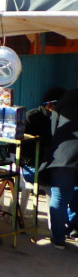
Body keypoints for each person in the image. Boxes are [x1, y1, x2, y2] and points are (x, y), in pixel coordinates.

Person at [43, 88, 78, 249]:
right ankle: (74, 229)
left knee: (59, 197)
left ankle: (58, 238)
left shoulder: (64, 100)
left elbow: (53, 130)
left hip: (64, 156)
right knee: (75, 194)